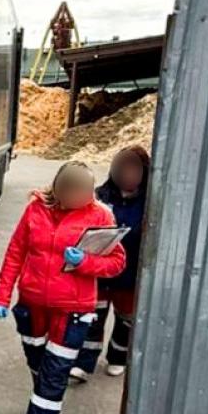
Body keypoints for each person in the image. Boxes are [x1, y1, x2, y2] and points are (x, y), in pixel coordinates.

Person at [0, 161, 126, 414]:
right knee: (37, 361)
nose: (81, 198)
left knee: (55, 372)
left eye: (85, 193)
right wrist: (2, 295)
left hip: (73, 309)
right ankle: (43, 395)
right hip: (33, 304)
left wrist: (84, 263)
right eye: (74, 192)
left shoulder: (100, 215)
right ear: (59, 189)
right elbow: (16, 252)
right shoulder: (36, 209)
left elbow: (117, 263)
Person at [71, 146, 149, 382]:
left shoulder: (150, 201)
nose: (128, 174)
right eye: (123, 168)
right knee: (93, 317)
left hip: (131, 273)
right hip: (101, 271)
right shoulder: (100, 196)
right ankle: (84, 363)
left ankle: (118, 358)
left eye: (134, 169)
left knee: (126, 319)